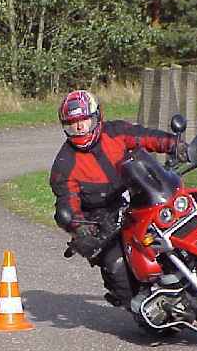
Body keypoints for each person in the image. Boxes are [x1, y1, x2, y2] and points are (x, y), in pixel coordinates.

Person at [49, 90, 188, 308]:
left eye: (84, 121)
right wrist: (80, 228)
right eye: (72, 124)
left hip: (141, 197)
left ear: (97, 117)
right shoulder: (64, 165)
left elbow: (144, 136)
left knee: (181, 216)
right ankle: (145, 308)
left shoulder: (115, 131)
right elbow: (68, 203)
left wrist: (174, 145)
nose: (80, 128)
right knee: (117, 267)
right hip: (104, 221)